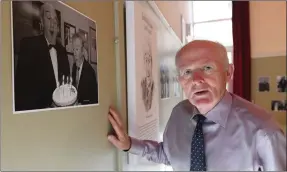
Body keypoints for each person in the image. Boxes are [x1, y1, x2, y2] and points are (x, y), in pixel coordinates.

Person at [107, 40, 286, 171]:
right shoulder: (179, 113)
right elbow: (169, 155)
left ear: (228, 72)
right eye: (187, 72)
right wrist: (129, 144)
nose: (196, 80)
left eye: (207, 68)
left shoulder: (263, 131)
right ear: (179, 80)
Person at [14, 3, 70, 111]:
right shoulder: (28, 45)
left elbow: (67, 85)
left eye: (55, 19)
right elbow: (22, 89)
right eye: (48, 17)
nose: (52, 21)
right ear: (41, 21)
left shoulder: (62, 51)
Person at [71, 32, 98, 105]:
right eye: (73, 49)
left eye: (77, 49)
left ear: (83, 50)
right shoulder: (74, 67)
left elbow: (94, 99)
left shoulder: (90, 72)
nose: (74, 52)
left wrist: (82, 104)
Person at [141, 42, 154, 112]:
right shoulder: (142, 84)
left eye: (149, 60)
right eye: (146, 60)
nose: (148, 64)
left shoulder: (153, 84)